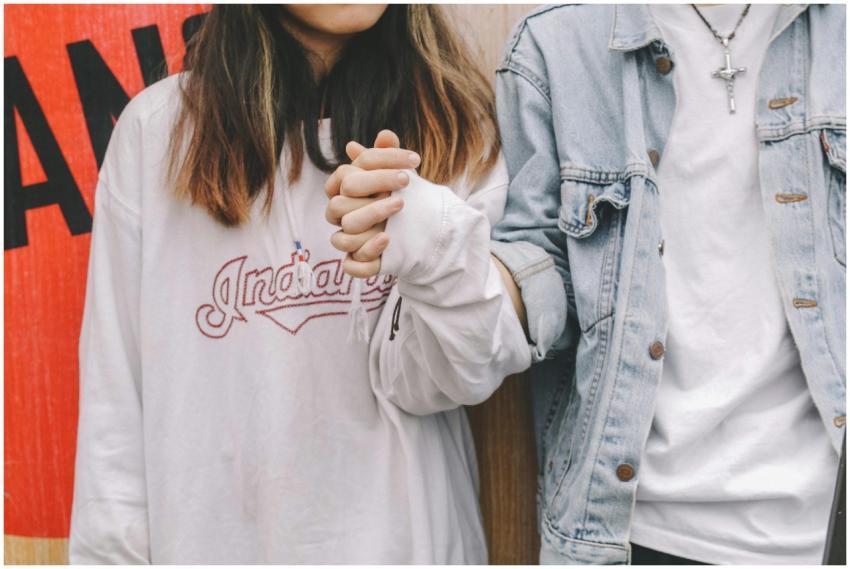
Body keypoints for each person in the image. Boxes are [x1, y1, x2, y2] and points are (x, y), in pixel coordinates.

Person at [341, 3, 845, 565]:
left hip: (827, 527)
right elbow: (542, 275)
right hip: (632, 532)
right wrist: (440, 249)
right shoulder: (558, 46)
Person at [69, 4, 529, 563]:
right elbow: (115, 420)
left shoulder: (454, 127)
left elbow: (457, 376)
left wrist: (431, 241)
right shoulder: (158, 134)